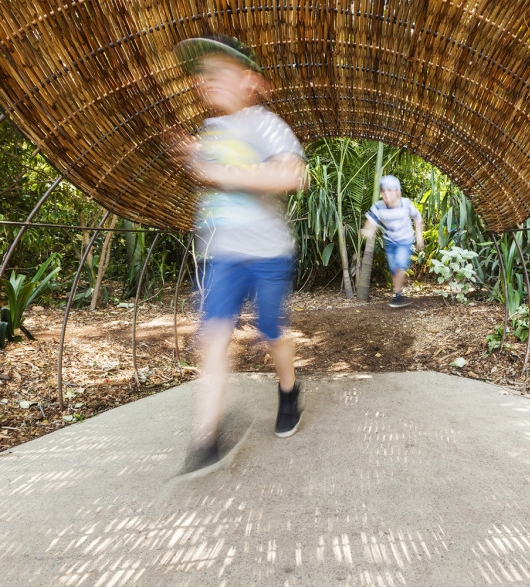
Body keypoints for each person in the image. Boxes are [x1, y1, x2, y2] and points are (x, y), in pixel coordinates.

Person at [171, 35, 308, 474]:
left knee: (272, 332)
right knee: (212, 337)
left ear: (251, 81)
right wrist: (197, 158)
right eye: (204, 75)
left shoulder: (267, 125)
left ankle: (289, 392)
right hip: (222, 254)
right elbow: (207, 176)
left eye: (219, 71)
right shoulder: (210, 132)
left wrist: (217, 170)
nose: (207, 81)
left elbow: (291, 175)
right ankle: (205, 439)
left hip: (267, 253)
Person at [360, 175, 424, 307]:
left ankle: (396, 295)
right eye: (383, 191)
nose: (385, 194)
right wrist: (367, 231)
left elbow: (418, 218)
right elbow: (370, 223)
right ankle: (398, 294)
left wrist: (419, 236)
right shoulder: (378, 207)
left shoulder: (406, 203)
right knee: (393, 270)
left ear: (398, 192)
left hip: (405, 240)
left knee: (399, 265)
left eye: (389, 190)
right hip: (390, 241)